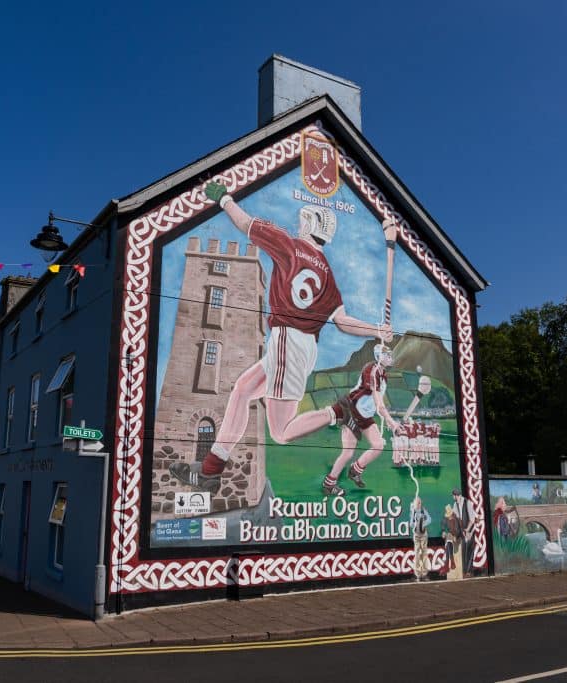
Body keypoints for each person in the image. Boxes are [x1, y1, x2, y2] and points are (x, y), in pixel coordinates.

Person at [171, 181, 394, 493]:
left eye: (303, 219)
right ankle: (211, 470)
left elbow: (246, 223)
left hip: (288, 340)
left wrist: (224, 199)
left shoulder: (290, 245)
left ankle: (337, 411)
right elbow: (342, 321)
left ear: (310, 224)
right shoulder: (327, 272)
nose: (298, 222)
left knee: (281, 432)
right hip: (302, 346)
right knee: (243, 389)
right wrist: (375, 329)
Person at [320, 344, 400, 495]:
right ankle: (329, 484)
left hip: (365, 416)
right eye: (387, 355)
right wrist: (391, 422)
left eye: (390, 355)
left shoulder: (383, 375)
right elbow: (378, 403)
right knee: (348, 453)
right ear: (379, 357)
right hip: (352, 411)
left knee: (378, 445)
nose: (390, 357)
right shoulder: (372, 370)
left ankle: (355, 470)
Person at [452, 488, 478, 576]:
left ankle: (469, 571)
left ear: (458, 495)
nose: (453, 497)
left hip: (470, 529)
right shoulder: (455, 505)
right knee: (463, 549)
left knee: (469, 550)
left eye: (454, 496)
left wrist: (467, 529)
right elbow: (456, 519)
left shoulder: (468, 503)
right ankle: (463, 571)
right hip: (462, 530)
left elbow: (472, 519)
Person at [409, 496, 432, 581]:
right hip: (416, 535)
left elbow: (429, 519)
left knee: (424, 554)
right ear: (414, 503)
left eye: (419, 502)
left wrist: (423, 524)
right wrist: (415, 523)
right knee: (417, 554)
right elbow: (411, 524)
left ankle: (425, 573)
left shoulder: (423, 510)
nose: (418, 504)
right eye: (417, 503)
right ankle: (418, 574)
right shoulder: (413, 512)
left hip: (423, 534)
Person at [442, 504, 463, 580]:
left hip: (456, 538)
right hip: (450, 538)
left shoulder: (455, 519)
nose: (448, 516)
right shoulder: (446, 519)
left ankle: (448, 565)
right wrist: (443, 531)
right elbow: (443, 525)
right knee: (448, 540)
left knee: (448, 541)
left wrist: (456, 536)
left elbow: (458, 530)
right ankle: (451, 563)